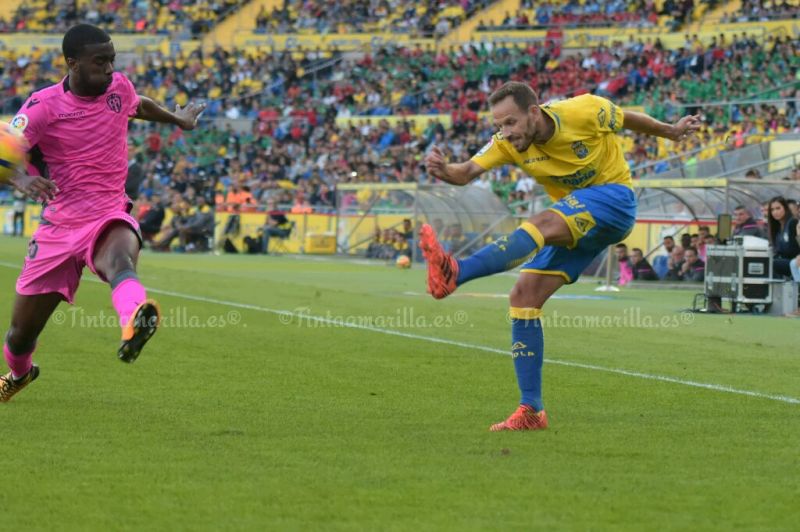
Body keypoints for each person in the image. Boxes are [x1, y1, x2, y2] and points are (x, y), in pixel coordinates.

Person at [419, 81, 701, 431]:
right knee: (523, 295)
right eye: (498, 126)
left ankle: (456, 272)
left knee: (543, 222)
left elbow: (625, 118)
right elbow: (466, 172)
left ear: (533, 112)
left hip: (614, 200)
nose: (504, 133)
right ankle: (532, 411)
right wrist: (445, 170)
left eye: (510, 122)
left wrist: (670, 132)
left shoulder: (582, 110)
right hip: (578, 219)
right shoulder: (507, 144)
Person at [1, 24, 204, 402]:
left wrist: (177, 119)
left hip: (107, 212)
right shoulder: (42, 106)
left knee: (120, 259)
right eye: (100, 61)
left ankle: (133, 322)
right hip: (58, 227)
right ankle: (18, 374)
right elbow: (6, 148)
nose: (109, 69)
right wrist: (20, 180)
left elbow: (137, 104)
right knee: (19, 336)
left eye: (112, 60)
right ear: (72, 63)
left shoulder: (118, 88)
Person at [766, 196, 800, 278]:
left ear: (785, 208)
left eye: (778, 208)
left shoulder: (793, 223)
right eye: (772, 210)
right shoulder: (777, 228)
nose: (775, 212)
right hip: (785, 261)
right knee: (767, 262)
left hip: (795, 261)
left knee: (771, 264)